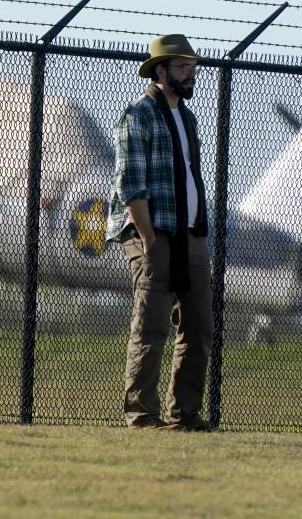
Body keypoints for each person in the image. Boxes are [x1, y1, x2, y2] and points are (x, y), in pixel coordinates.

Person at [105, 34, 214, 431]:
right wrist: (149, 238)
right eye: (182, 67)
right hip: (152, 232)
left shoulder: (187, 118)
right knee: (151, 326)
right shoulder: (139, 114)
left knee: (199, 326)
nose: (191, 74)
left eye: (193, 67)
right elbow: (130, 181)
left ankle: (184, 415)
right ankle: (142, 414)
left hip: (190, 232)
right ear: (160, 70)